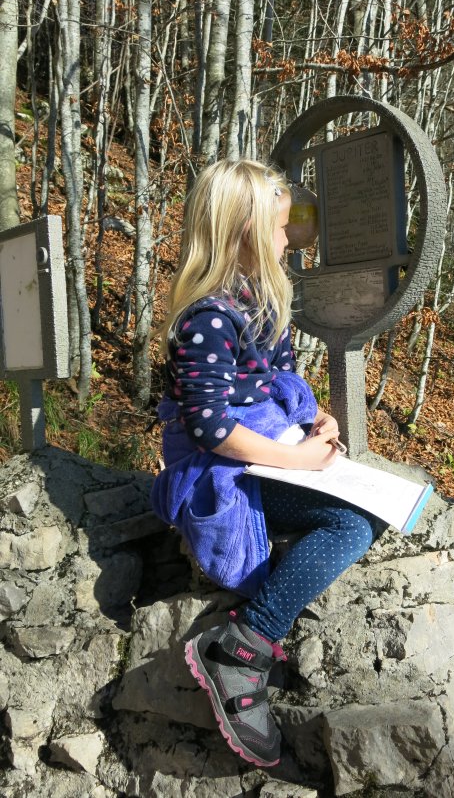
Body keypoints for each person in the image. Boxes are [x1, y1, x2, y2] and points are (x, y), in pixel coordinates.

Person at [151, 159, 380, 768]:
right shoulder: (207, 319)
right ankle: (243, 648)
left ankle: (244, 645)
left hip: (268, 454)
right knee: (352, 525)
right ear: (245, 231)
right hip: (219, 472)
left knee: (371, 513)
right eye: (280, 228)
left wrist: (313, 424)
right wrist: (297, 459)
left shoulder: (259, 303)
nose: (290, 238)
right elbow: (210, 427)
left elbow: (276, 382)